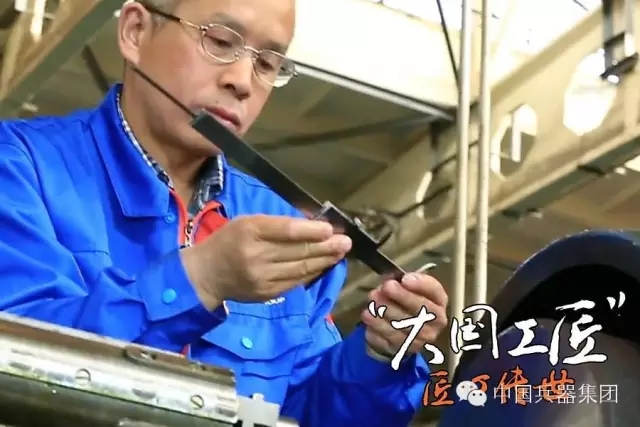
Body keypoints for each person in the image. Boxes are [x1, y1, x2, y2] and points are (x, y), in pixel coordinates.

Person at [0, 0, 449, 426]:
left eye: (268, 63)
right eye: (219, 41)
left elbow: (308, 416)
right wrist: (201, 279)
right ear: (135, 31)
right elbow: (18, 361)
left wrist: (379, 355)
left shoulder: (287, 228)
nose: (243, 81)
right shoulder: (21, 168)